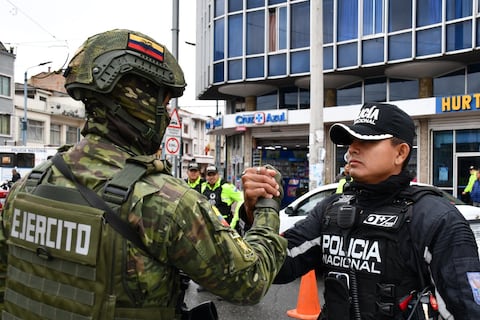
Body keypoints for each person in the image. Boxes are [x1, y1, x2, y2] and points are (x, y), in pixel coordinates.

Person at [0, 29, 287, 320]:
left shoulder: (27, 187)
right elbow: (250, 280)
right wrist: (267, 207)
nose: (165, 112)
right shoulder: (164, 202)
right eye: (163, 102)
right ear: (140, 102)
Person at [241, 102, 480, 319]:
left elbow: (466, 311)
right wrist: (255, 212)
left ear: (401, 153)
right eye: (351, 141)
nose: (353, 149)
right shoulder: (331, 209)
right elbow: (274, 267)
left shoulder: (436, 219)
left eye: (367, 141)